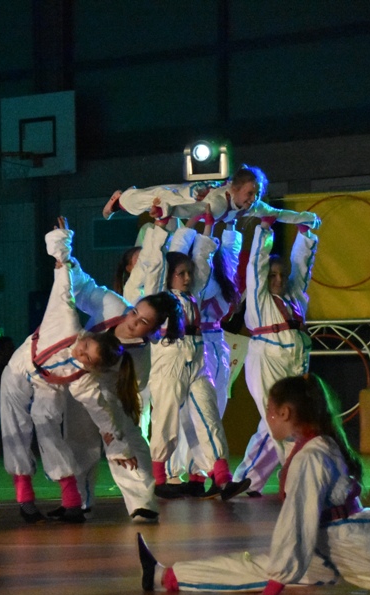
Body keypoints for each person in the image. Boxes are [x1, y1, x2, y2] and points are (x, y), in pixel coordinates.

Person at [138, 373, 370, 595]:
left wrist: (278, 580)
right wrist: (280, 571)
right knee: (257, 567)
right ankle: (165, 576)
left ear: (284, 413)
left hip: (351, 546)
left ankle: (169, 577)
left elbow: (299, 517)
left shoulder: (312, 456)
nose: (267, 418)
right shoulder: (309, 446)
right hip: (325, 544)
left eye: (269, 410)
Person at [2, 220, 182, 524]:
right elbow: (82, 286)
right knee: (78, 442)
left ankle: (142, 503)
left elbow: (133, 388)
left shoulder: (140, 355)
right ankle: (80, 502)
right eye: (135, 312)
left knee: (124, 442)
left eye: (143, 322)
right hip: (76, 381)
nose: (133, 321)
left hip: (109, 396)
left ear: (154, 330)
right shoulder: (113, 305)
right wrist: (66, 258)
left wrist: (111, 423)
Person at [123, 215, 249, 501]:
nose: (188, 278)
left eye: (188, 273)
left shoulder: (194, 293)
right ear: (168, 276)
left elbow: (203, 261)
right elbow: (156, 265)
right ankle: (159, 478)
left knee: (209, 415)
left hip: (198, 359)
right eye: (181, 273)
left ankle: (222, 478)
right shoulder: (159, 296)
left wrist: (207, 227)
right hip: (170, 359)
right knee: (166, 418)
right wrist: (163, 228)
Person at [232, 216, 319, 495]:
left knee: (272, 425)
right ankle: (296, 478)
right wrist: (265, 230)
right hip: (266, 359)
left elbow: (302, 269)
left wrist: (304, 235)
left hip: (294, 362)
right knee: (284, 420)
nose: (279, 279)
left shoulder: (293, 296)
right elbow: (256, 266)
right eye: (272, 275)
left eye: (282, 274)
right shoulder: (259, 298)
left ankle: (245, 480)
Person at [167, 217, 243, 495]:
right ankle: (181, 473)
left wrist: (231, 226)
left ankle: (199, 474)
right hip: (193, 346)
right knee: (190, 415)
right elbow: (199, 257)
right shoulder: (193, 283)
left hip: (216, 344)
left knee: (214, 411)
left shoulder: (222, 280)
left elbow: (229, 256)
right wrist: (201, 227)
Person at [102, 165, 321, 230]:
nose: (253, 199)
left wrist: (306, 217)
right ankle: (120, 199)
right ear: (235, 189)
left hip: (204, 194)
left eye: (257, 194)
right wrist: (163, 212)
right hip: (190, 196)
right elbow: (184, 210)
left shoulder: (252, 207)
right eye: (250, 193)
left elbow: (279, 213)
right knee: (156, 197)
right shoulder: (217, 205)